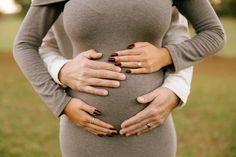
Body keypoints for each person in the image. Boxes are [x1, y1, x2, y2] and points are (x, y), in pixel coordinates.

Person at [13, 0, 226, 157]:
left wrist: (167, 57)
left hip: (151, 131)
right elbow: (27, 45)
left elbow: (213, 34)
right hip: (84, 134)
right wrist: (60, 101)